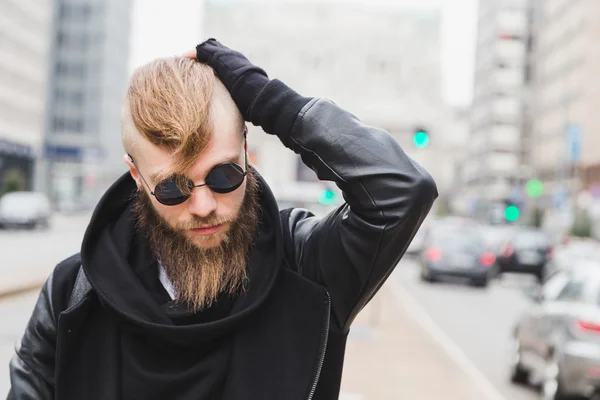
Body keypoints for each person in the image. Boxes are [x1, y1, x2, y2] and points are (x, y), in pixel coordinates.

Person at [8, 39, 437, 400]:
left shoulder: (309, 268)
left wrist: (269, 100)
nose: (204, 205)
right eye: (173, 187)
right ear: (137, 177)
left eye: (223, 175)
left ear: (247, 150)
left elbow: (401, 190)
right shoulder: (74, 297)